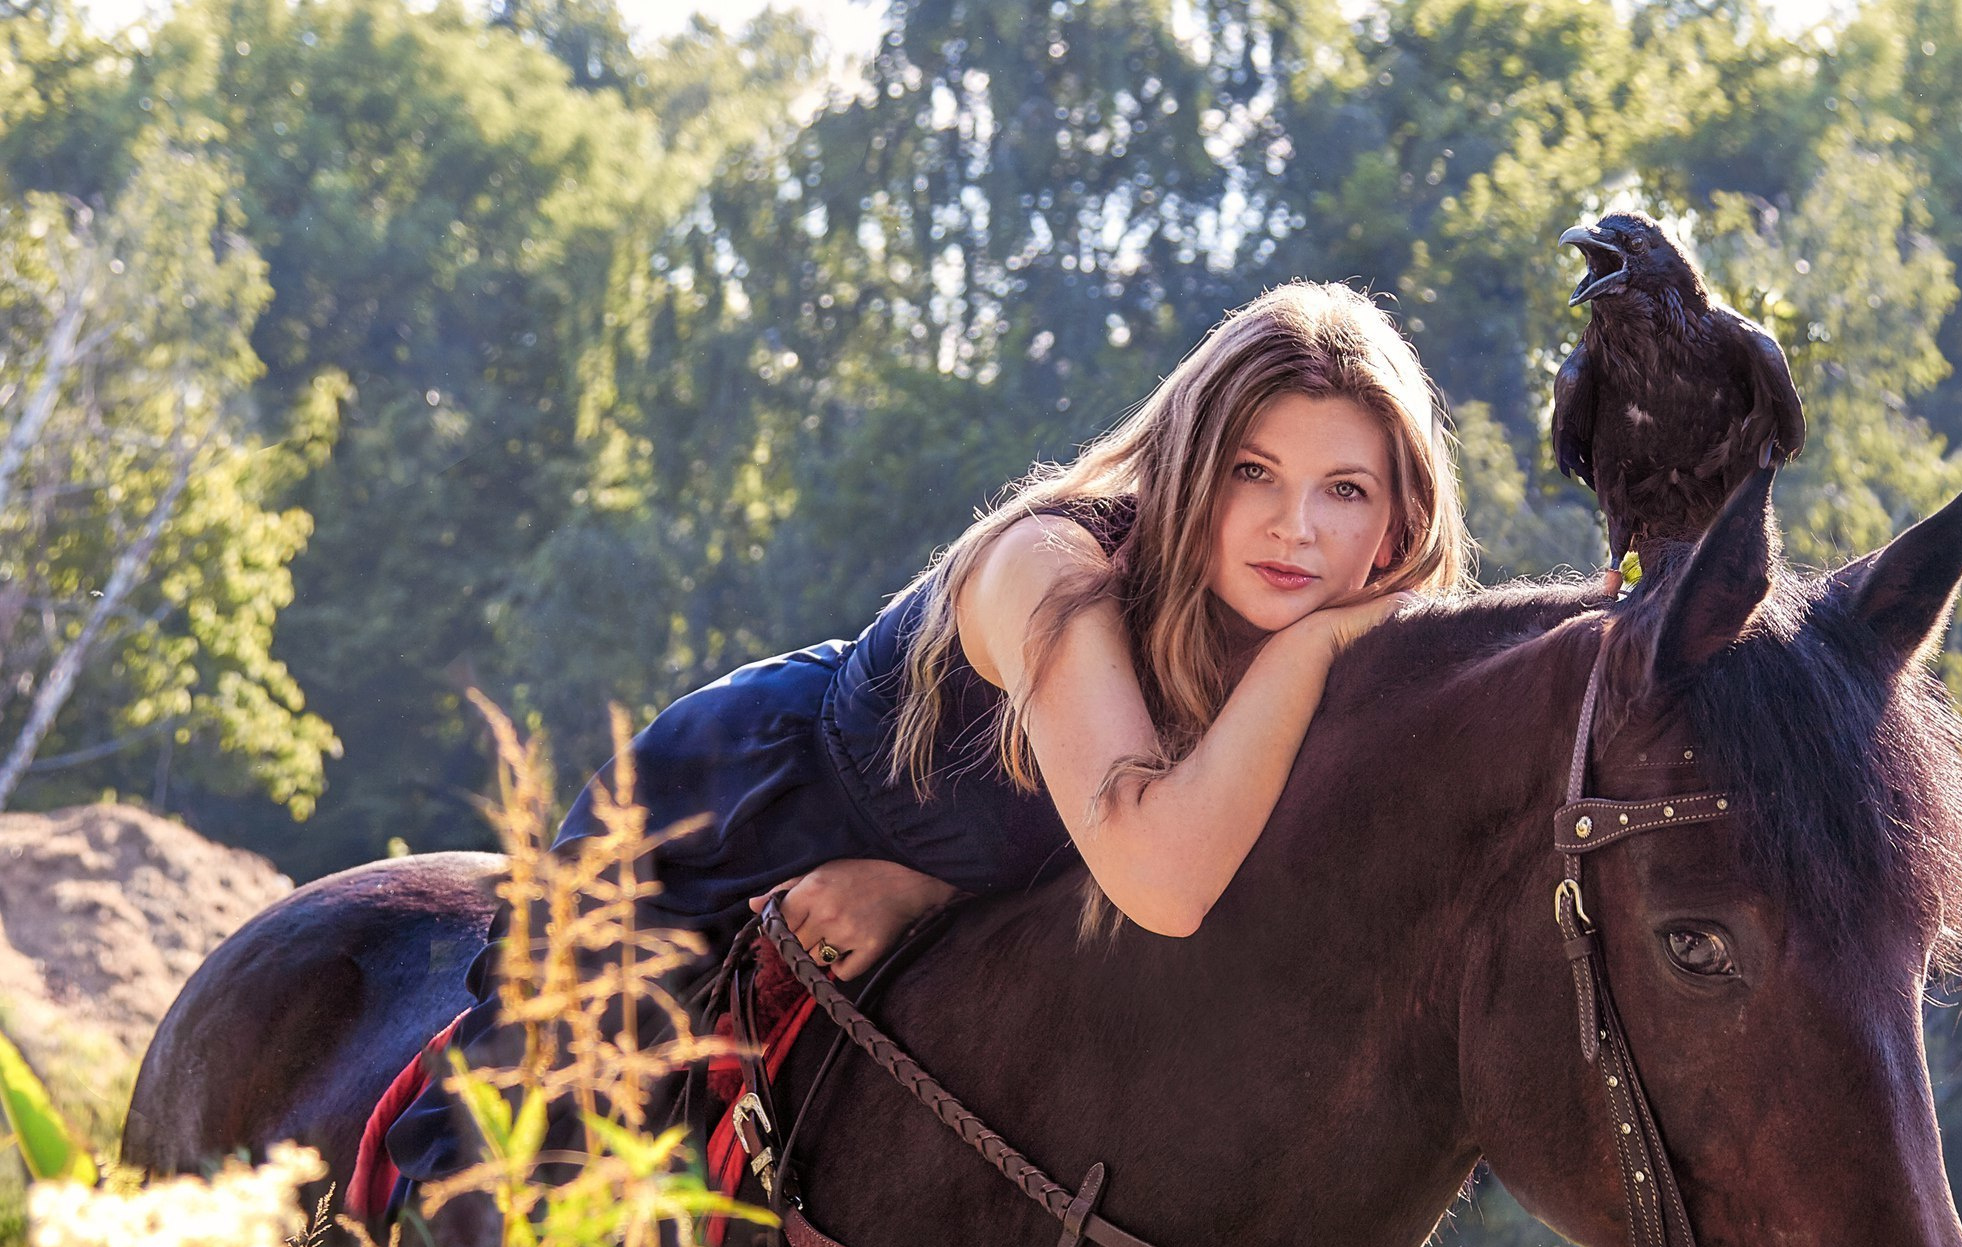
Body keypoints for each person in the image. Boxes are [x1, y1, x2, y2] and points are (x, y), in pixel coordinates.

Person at [382, 280, 1478, 1188]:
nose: (1296, 528)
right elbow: (1165, 877)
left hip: (937, 906)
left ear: (1398, 519)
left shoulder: (1312, 644)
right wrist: (1314, 649)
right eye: (1255, 473)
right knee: (505, 1207)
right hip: (723, 832)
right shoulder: (1057, 570)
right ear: (1191, 469)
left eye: (1343, 490)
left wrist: (929, 892)